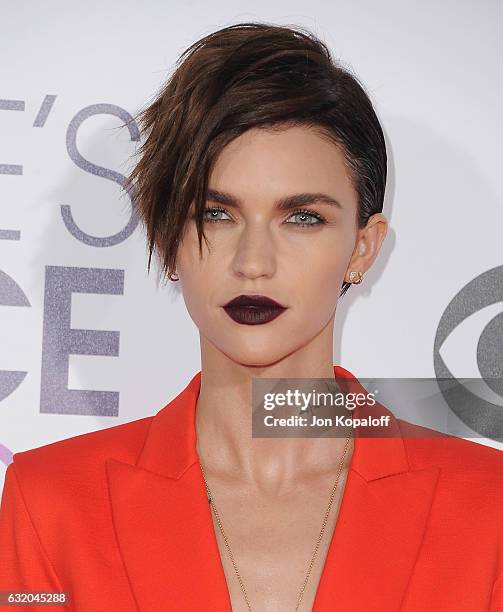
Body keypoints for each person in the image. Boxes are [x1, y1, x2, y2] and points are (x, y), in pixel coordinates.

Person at [1, 22, 502, 612]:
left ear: (363, 248)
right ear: (168, 237)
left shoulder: (488, 508)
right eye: (217, 213)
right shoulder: (51, 503)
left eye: (302, 217)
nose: (253, 262)